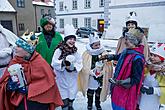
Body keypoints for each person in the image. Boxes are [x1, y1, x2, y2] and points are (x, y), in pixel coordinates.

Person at [0, 31, 63, 110]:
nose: (15, 48)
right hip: (19, 102)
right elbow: (3, 82)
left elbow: (48, 82)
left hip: (38, 103)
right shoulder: (14, 61)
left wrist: (29, 89)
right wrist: (8, 86)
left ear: (27, 50)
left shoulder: (40, 62)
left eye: (19, 46)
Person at [100, 28, 145, 110]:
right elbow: (120, 56)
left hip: (127, 90)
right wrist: (110, 56)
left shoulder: (137, 58)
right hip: (118, 87)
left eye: (127, 40)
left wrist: (121, 82)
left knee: (122, 106)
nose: (125, 42)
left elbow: (136, 78)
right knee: (115, 104)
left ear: (133, 42)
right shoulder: (127, 51)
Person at [51, 24, 83, 110]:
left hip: (72, 78)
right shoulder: (59, 50)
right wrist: (63, 63)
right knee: (63, 95)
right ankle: (65, 107)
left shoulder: (75, 52)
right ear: (65, 40)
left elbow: (79, 62)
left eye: (73, 39)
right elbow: (54, 62)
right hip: (62, 78)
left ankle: (70, 106)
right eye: (70, 39)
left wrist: (74, 67)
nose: (72, 41)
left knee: (72, 94)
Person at [78, 32, 113, 110]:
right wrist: (89, 72)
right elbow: (83, 65)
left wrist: (103, 72)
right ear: (91, 46)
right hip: (90, 77)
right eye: (95, 45)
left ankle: (98, 104)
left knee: (98, 91)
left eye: (98, 44)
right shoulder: (87, 54)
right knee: (90, 91)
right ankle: (89, 103)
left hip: (100, 78)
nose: (98, 46)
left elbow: (108, 65)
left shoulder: (104, 53)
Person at [139, 43, 165, 110]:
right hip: (140, 101)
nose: (152, 57)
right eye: (151, 54)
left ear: (162, 58)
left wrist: (154, 90)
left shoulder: (163, 72)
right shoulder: (146, 67)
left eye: (155, 56)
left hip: (153, 104)